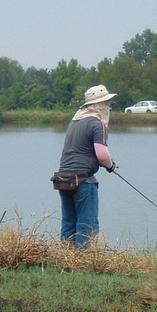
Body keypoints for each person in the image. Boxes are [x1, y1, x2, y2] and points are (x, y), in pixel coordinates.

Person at [56, 84, 117, 248]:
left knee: (69, 222)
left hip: (63, 178)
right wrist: (111, 166)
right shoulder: (98, 124)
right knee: (87, 225)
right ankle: (83, 262)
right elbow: (102, 154)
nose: (110, 106)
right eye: (108, 103)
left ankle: (65, 259)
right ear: (102, 105)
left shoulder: (74, 122)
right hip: (83, 180)